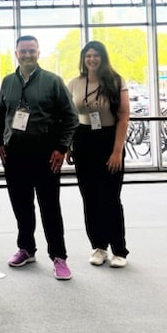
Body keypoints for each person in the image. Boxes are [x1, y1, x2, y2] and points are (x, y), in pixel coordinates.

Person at [0, 35, 79, 280]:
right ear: (16, 54)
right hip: (15, 155)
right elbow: (1, 115)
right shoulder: (8, 82)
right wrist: (0, 142)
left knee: (50, 208)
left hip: (46, 155)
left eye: (32, 51)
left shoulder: (53, 81)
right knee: (21, 206)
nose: (28, 55)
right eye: (23, 51)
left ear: (39, 53)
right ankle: (26, 249)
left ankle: (59, 257)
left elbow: (71, 118)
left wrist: (61, 148)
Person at [66, 40, 130, 268]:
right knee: (90, 198)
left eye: (96, 55)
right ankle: (99, 246)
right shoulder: (74, 83)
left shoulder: (115, 81)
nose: (92, 59)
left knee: (110, 198)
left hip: (109, 140)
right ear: (83, 59)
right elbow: (70, 118)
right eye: (88, 56)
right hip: (84, 140)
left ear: (103, 58)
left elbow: (123, 116)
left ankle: (119, 250)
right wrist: (69, 146)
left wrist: (117, 151)